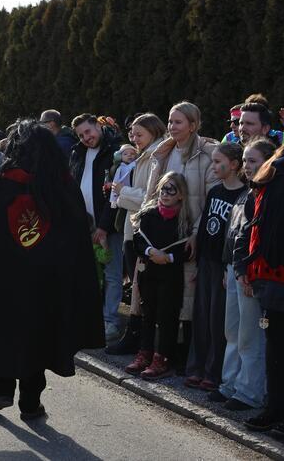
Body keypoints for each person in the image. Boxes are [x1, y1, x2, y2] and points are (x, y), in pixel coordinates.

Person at [0, 121, 104, 420]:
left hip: (6, 278)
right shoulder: (61, 185)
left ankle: (3, 389)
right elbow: (75, 236)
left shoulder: (4, 183)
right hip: (45, 281)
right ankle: (30, 403)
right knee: (38, 337)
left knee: (5, 331)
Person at [146, 101, 219, 373]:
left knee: (188, 298)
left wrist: (197, 232)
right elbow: (153, 194)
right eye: (170, 121)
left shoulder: (206, 156)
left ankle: (184, 356)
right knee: (160, 298)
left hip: (189, 236)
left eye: (178, 122)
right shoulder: (162, 153)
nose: (171, 126)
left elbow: (210, 200)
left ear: (193, 125)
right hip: (161, 232)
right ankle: (157, 351)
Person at [215, 138, 276, 411]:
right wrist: (230, 267)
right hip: (235, 270)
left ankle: (249, 392)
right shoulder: (247, 192)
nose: (247, 166)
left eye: (253, 161)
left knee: (251, 336)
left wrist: (247, 272)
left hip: (251, 275)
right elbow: (235, 235)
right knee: (233, 331)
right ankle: (230, 383)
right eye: (246, 161)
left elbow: (256, 239)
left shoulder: (267, 195)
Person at [185, 143, 246, 391]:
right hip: (206, 262)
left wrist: (226, 267)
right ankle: (196, 367)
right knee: (200, 317)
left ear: (234, 165)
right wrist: (198, 263)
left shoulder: (243, 196)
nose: (213, 166)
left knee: (217, 320)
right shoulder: (215, 192)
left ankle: (213, 371)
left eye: (218, 161)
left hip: (223, 266)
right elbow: (205, 230)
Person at [108, 113, 167, 355]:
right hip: (133, 227)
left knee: (142, 288)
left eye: (139, 134)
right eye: (132, 133)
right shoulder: (143, 154)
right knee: (136, 288)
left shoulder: (157, 156)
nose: (134, 138)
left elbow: (151, 198)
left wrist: (123, 192)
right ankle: (135, 337)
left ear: (153, 131)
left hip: (144, 230)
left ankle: (140, 340)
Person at [125, 172, 191, 379]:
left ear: (180, 195)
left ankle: (162, 358)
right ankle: (145, 353)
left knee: (166, 316)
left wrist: (168, 257)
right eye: (163, 189)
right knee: (148, 314)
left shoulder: (184, 220)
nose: (165, 194)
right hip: (149, 272)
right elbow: (138, 241)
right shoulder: (149, 214)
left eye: (171, 190)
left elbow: (187, 250)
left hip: (171, 276)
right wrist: (150, 252)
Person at [240, 143, 284, 434]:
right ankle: (275, 409)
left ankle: (276, 410)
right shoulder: (275, 168)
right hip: (273, 273)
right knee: (276, 347)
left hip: (273, 271)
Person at [69, 113, 124, 341]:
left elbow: (115, 194)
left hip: (108, 226)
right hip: (83, 224)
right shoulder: (77, 152)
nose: (86, 138)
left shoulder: (115, 152)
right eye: (81, 135)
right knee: (86, 273)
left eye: (88, 131)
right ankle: (88, 317)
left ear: (98, 127)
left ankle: (110, 321)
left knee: (112, 273)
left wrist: (103, 227)